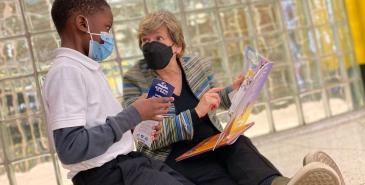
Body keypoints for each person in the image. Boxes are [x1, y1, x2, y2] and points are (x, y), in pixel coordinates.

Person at [123, 10, 345, 185]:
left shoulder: (196, 65)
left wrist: (235, 91)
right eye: (145, 41)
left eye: (158, 38)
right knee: (220, 177)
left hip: (211, 142)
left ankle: (281, 184)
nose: (150, 45)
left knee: (241, 148)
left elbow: (214, 98)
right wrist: (196, 113)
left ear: (177, 46)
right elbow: (148, 139)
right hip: (174, 156)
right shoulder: (135, 79)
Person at [42, 1, 195, 185]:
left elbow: (101, 125)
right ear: (83, 24)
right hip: (108, 173)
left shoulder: (84, 68)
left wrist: (138, 122)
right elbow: (71, 148)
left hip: (127, 164)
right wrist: (133, 114)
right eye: (106, 28)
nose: (108, 37)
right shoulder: (67, 71)